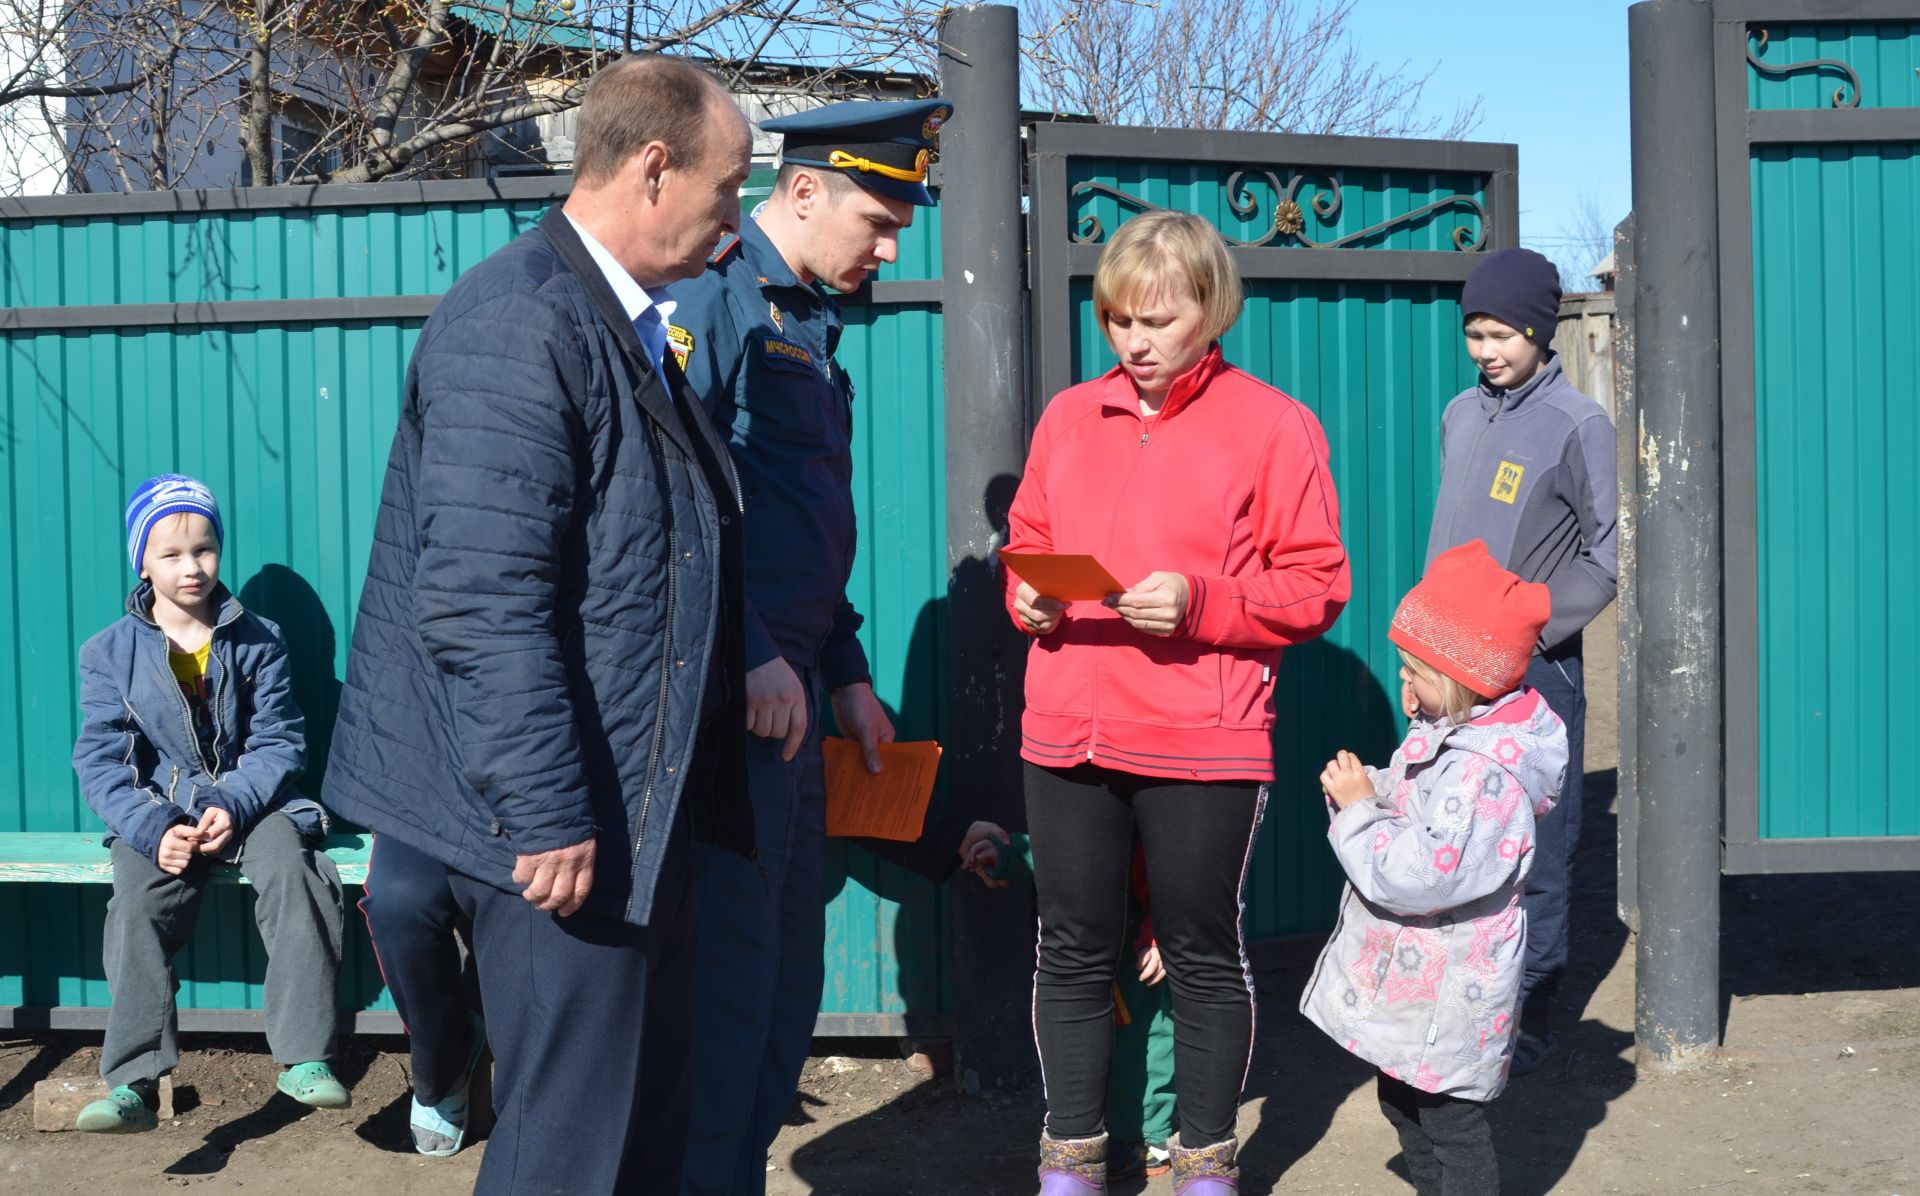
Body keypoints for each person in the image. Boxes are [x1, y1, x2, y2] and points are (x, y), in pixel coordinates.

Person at [319, 56, 756, 1196]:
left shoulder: (618, 317)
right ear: (653, 170)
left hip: (634, 817)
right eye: (728, 189)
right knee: (566, 1155)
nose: (736, 222)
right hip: (561, 835)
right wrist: (549, 807)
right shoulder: (519, 321)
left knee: (640, 1141)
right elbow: (479, 598)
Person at [1005, 209, 1351, 1194]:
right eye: (1118, 320)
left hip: (1204, 732)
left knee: (1200, 947)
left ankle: (1205, 1161)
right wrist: (1025, 594)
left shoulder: (1272, 425)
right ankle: (1069, 1162)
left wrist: (1203, 602)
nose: (1136, 342)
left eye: (1156, 320)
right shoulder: (1069, 416)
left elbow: (1318, 581)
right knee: (1071, 944)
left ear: (1212, 308)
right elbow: (1028, 535)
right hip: (1067, 725)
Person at [665, 95, 951, 1196]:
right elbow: (675, 513)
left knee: (783, 992)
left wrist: (847, 675)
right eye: (877, 223)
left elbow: (793, 527)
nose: (886, 249)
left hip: (789, 706)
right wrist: (747, 652)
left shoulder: (810, 322)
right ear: (799, 192)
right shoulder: (716, 298)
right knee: (728, 1001)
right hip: (730, 709)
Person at [70, 474, 348, 1132]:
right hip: (161, 813)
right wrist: (152, 828)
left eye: (204, 549)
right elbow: (103, 762)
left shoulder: (259, 638)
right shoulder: (108, 654)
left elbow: (279, 741)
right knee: (135, 907)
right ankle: (134, 1080)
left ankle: (305, 1057)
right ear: (143, 561)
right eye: (171, 554)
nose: (191, 566)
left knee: (295, 875)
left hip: (256, 805)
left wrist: (236, 800)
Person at [1301, 540, 1569, 1196]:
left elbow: (1421, 876)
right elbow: (1421, 792)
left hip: (1451, 990)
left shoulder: (1485, 772)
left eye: (1412, 672)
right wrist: (1374, 787)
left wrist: (1362, 814)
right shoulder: (1453, 728)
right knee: (1404, 1104)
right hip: (1424, 981)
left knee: (1450, 1123)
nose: (1403, 686)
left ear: (1461, 675)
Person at [1422, 246, 1617, 1075]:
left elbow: (1607, 558)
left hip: (1537, 671)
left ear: (1541, 331)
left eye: (1501, 333)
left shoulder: (1580, 424)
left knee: (1538, 841)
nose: (1486, 350)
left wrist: (1530, 621)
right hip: (1445, 668)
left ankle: (1530, 1004)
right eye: (1474, 333)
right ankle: (1458, 991)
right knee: (1454, 833)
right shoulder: (1461, 414)